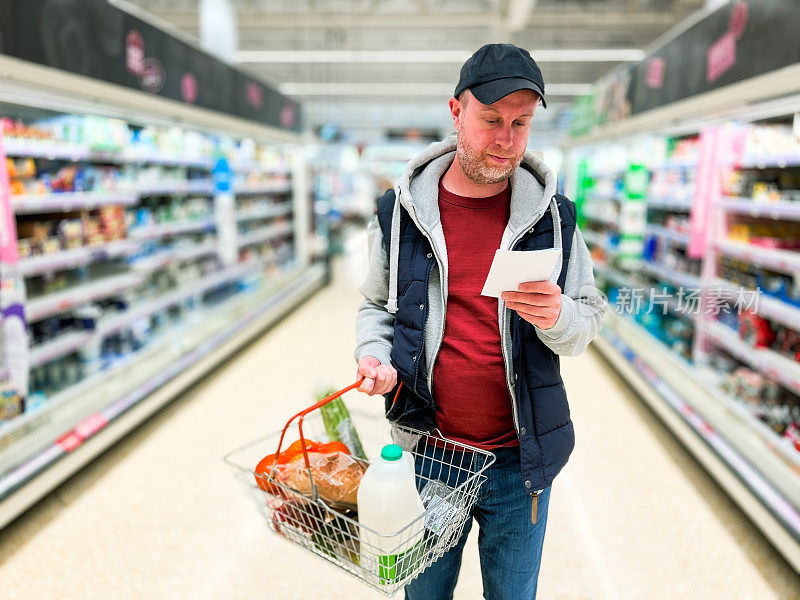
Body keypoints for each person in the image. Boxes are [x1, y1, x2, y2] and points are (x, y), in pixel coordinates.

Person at [354, 43, 607, 600]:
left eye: (520, 124)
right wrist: (374, 357)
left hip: (522, 462)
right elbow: (375, 305)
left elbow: (588, 317)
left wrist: (558, 316)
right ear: (456, 111)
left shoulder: (554, 219)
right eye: (491, 120)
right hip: (429, 455)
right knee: (424, 594)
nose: (506, 139)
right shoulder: (399, 214)